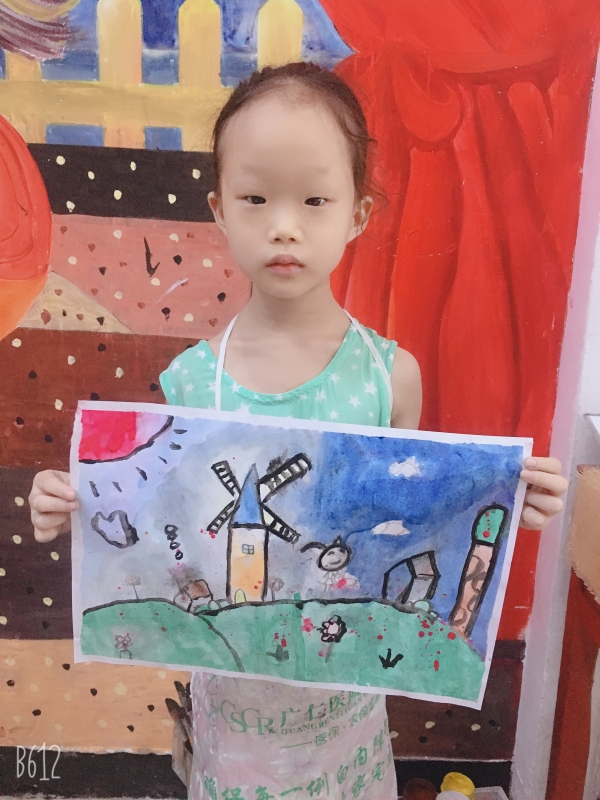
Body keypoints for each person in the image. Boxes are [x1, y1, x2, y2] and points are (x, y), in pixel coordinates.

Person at [28, 62, 568, 800]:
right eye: (256, 198)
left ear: (359, 214)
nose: (284, 225)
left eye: (315, 199)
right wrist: (75, 502)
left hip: (345, 721)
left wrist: (504, 498)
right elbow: (159, 523)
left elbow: (413, 518)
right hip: (233, 721)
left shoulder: (389, 377)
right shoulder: (193, 382)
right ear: (220, 210)